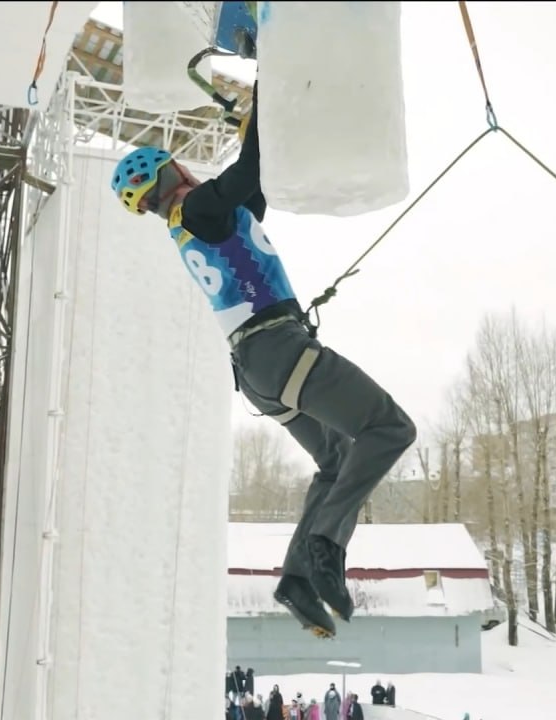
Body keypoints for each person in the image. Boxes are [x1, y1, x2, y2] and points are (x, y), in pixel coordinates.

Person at [109, 85, 416, 639]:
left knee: (336, 457)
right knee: (390, 427)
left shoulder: (205, 219)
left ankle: (298, 580)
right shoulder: (199, 206)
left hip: (259, 373)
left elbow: (257, 175)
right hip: (279, 351)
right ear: (172, 170)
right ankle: (327, 541)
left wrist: (251, 121)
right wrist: (267, 82)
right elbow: (251, 166)